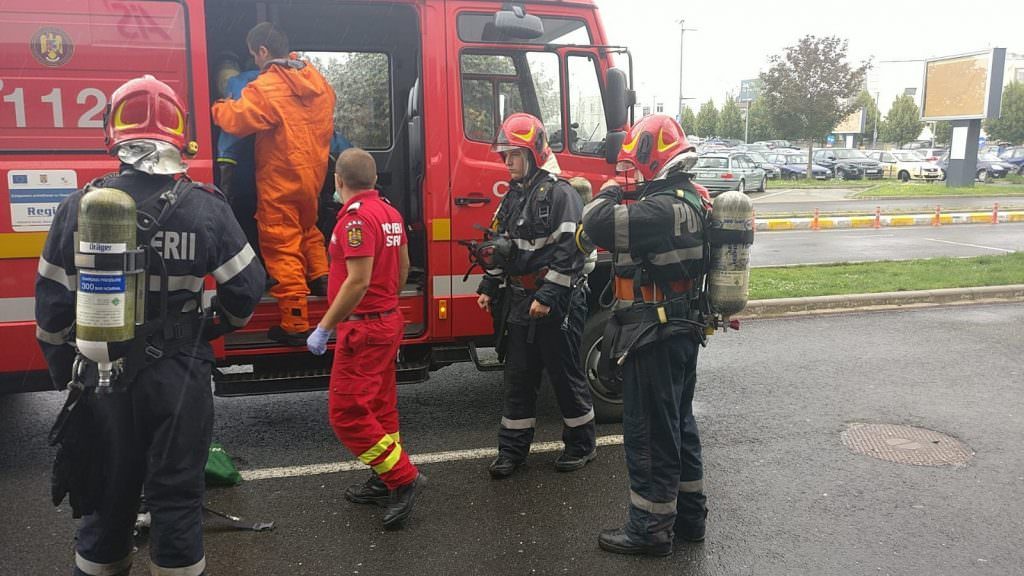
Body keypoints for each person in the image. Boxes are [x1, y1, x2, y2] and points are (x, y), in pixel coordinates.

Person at [35, 75, 265, 576]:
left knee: (105, 496)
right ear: (179, 135)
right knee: (176, 496)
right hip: (179, 373)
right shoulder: (206, 205)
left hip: (101, 371)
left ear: (112, 132)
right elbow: (246, 291)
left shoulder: (79, 206)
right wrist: (209, 331)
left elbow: (52, 309)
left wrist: (65, 375)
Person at [580, 114, 710, 557]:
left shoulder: (657, 209)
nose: (636, 171)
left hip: (654, 333)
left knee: (650, 433)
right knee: (679, 424)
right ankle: (691, 518)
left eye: (638, 163)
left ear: (654, 157)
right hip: (682, 329)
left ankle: (650, 530)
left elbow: (596, 224)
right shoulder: (693, 198)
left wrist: (611, 188)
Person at [306, 148, 425, 530]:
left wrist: (325, 325)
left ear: (338, 182)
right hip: (387, 321)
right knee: (379, 406)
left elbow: (357, 280)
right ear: (374, 180)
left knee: (346, 414)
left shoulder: (354, 221)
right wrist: (386, 302)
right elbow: (404, 267)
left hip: (364, 328)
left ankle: (402, 477)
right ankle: (384, 476)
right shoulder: (390, 213)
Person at [476, 113, 596, 479]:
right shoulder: (513, 197)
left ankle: (581, 445)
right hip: (520, 301)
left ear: (532, 153)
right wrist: (489, 284)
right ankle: (512, 451)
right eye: (505, 156)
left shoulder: (562, 195)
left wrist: (546, 295)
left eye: (513, 155)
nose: (506, 162)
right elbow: (502, 247)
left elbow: (571, 254)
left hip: (555, 303)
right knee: (518, 377)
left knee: (564, 375)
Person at [212, 22, 335, 346]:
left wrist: (217, 106)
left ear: (263, 52)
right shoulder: (317, 81)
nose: (253, 60)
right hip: (312, 177)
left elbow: (238, 121)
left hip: (280, 180)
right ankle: (322, 278)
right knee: (308, 229)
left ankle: (295, 322)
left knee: (281, 244)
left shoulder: (266, 87)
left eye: (254, 54)